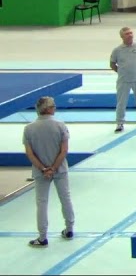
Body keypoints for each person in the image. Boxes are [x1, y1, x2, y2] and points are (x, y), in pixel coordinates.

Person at [23, 96, 74, 247]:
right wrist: (54, 167)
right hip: (60, 169)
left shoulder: (29, 128)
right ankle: (70, 228)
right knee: (65, 198)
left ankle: (42, 236)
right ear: (49, 109)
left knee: (42, 203)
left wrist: (44, 168)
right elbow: (64, 150)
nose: (55, 108)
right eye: (54, 106)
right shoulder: (60, 125)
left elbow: (30, 153)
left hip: (41, 171)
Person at [110, 27, 136, 133]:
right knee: (121, 102)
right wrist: (121, 72)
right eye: (127, 34)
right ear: (122, 36)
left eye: (131, 33)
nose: (130, 35)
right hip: (123, 80)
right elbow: (112, 64)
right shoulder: (117, 50)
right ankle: (120, 123)